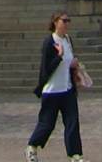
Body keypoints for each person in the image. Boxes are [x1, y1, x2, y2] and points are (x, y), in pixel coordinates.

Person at [26, 10, 87, 162]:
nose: (67, 24)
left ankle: (75, 155)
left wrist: (74, 64)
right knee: (47, 124)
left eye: (68, 21)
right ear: (55, 22)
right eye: (64, 21)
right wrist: (59, 57)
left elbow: (69, 62)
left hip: (67, 89)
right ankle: (32, 147)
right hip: (52, 91)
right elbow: (46, 69)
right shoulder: (50, 42)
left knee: (72, 122)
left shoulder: (67, 40)